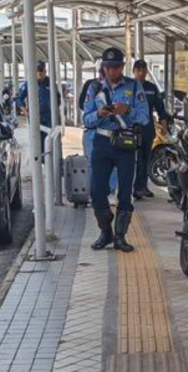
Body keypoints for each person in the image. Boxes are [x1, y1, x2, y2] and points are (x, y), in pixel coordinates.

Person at [83, 47, 149, 252]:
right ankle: (106, 231)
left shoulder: (134, 86)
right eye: (108, 67)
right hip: (102, 143)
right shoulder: (94, 89)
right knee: (97, 190)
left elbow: (145, 117)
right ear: (103, 67)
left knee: (125, 192)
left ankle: (120, 236)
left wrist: (127, 110)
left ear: (122, 66)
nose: (111, 71)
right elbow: (85, 119)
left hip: (125, 144)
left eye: (116, 67)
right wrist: (100, 114)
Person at [132, 59, 172, 200]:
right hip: (131, 128)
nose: (141, 73)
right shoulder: (129, 87)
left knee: (145, 158)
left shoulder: (151, 88)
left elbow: (160, 108)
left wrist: (164, 124)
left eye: (143, 70)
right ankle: (131, 187)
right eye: (138, 70)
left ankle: (142, 187)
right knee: (131, 159)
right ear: (134, 71)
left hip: (147, 128)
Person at [79, 67, 116, 200]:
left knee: (112, 165)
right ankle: (93, 193)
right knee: (92, 164)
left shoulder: (120, 88)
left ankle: (110, 192)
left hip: (111, 133)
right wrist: (98, 113)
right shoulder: (92, 87)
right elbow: (84, 111)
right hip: (92, 133)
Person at [16, 61, 54, 154]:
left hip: (48, 117)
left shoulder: (50, 83)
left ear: (45, 71)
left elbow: (58, 98)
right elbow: (19, 99)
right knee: (36, 141)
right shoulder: (29, 83)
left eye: (41, 70)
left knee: (49, 141)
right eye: (37, 71)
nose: (39, 73)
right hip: (35, 117)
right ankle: (38, 161)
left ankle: (47, 161)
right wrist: (25, 112)